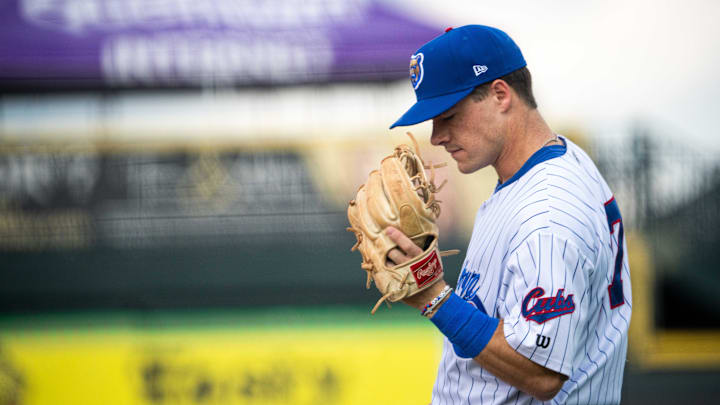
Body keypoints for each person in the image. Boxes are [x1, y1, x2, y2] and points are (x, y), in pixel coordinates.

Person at [384, 25, 632, 404]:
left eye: (448, 116)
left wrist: (433, 297)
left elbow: (541, 371)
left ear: (500, 94)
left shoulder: (549, 212)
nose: (436, 136)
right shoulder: (540, 170)